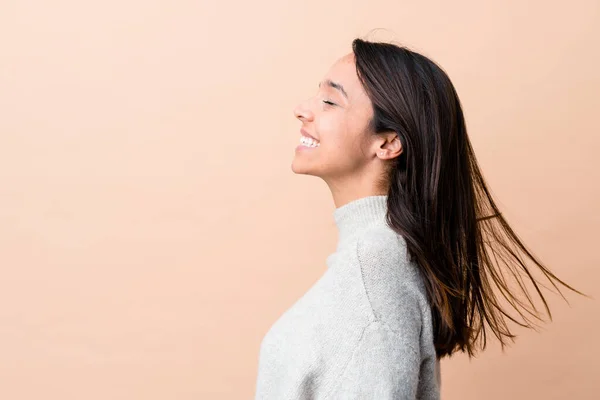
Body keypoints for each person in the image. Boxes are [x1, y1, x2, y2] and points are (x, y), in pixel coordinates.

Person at [253, 38, 587, 400]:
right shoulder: (382, 257)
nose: (303, 110)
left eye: (330, 102)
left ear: (387, 143)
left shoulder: (374, 272)